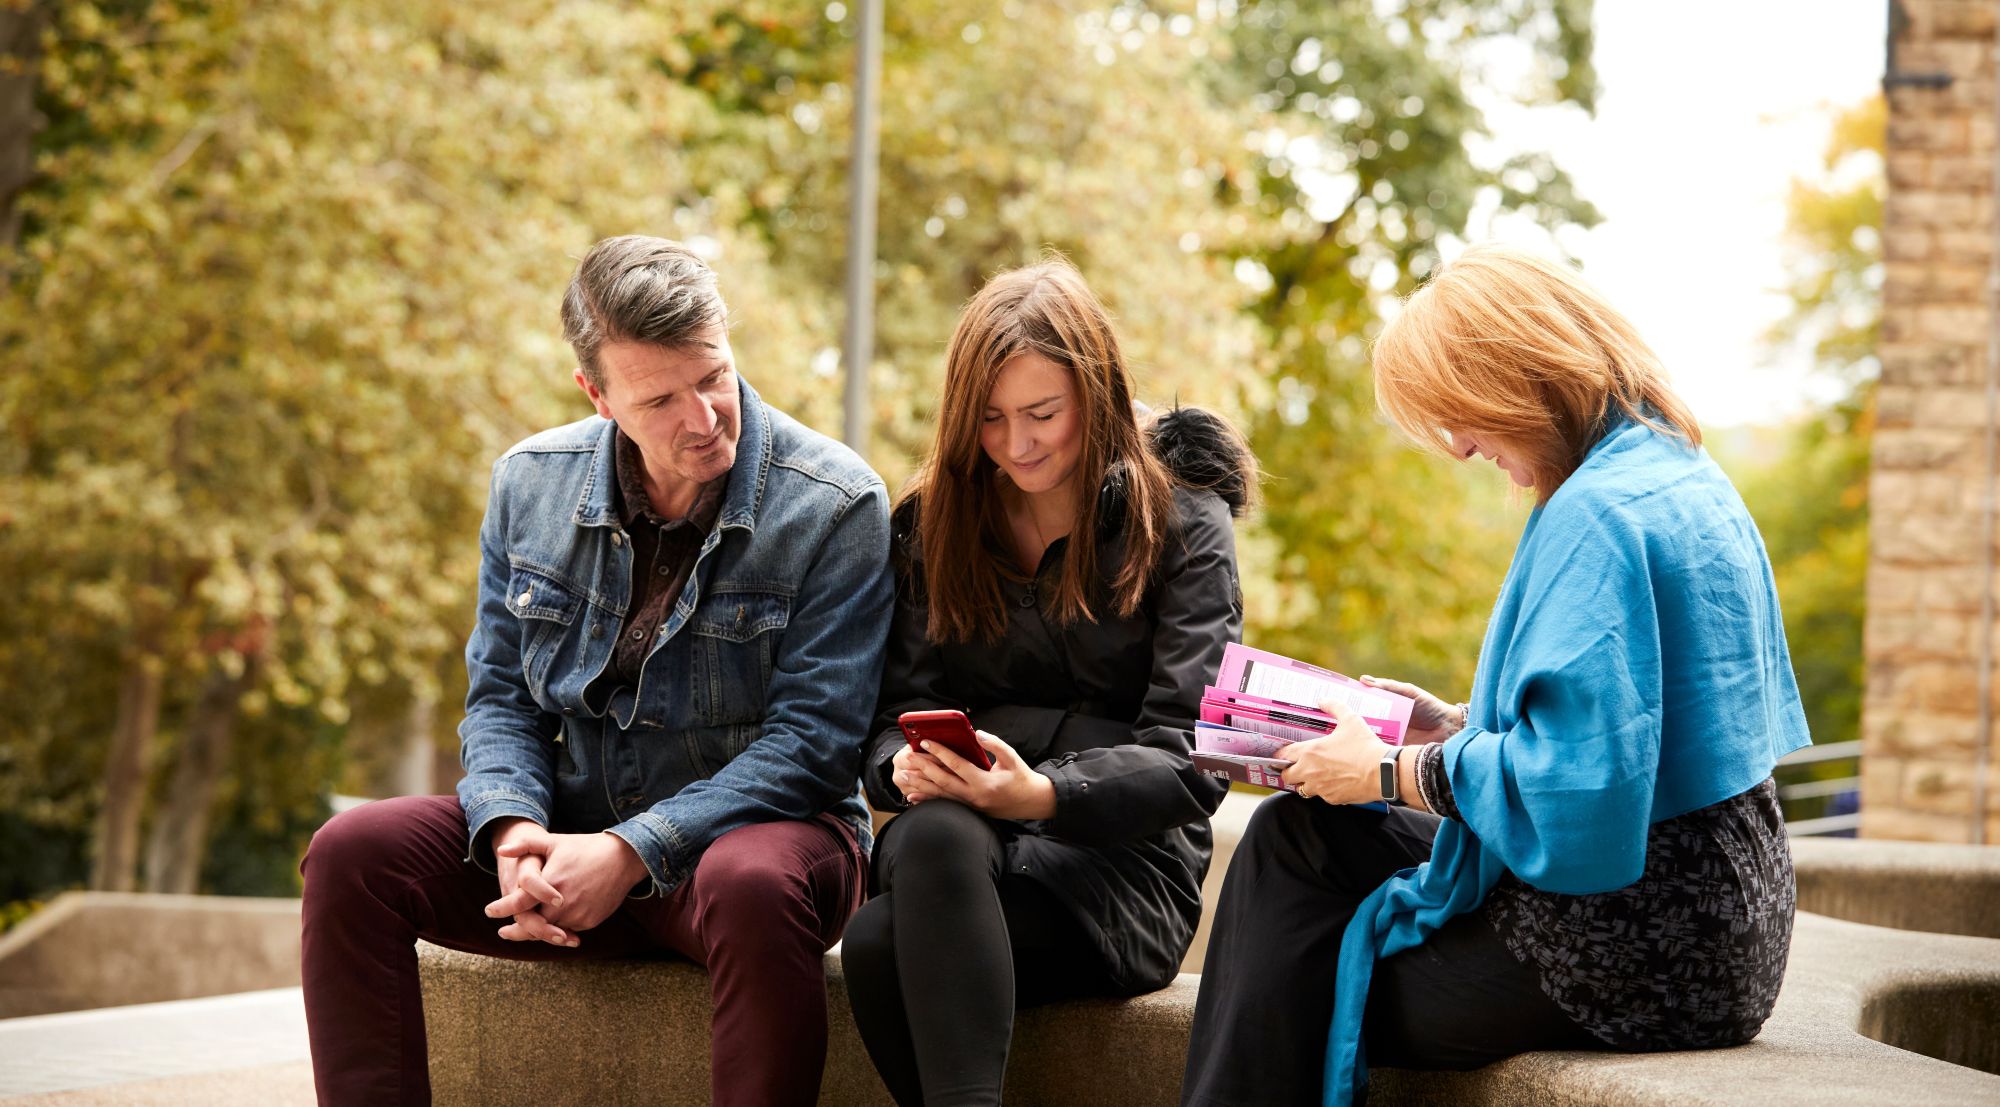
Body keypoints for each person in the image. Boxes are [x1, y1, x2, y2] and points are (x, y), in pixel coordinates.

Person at [1181, 243, 1811, 1107]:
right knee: (1297, 835)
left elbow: (1578, 793)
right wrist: (1452, 724)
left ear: (1518, 378)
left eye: (1461, 415)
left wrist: (1385, 770)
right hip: (1730, 917)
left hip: (1629, 949)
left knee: (1299, 967)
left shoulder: (1593, 517)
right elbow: (1634, 729)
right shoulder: (1678, 471)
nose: (1461, 446)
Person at [299, 236, 894, 1107]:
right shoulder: (527, 484)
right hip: (566, 833)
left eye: (713, 376)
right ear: (598, 394)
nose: (702, 417)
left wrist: (628, 851)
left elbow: (814, 745)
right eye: (660, 398)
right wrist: (512, 833)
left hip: (751, 849)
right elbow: (499, 700)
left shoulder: (836, 502)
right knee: (352, 853)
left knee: (751, 882)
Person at [841, 257, 1255, 1106]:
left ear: (1095, 396)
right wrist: (904, 769)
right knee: (929, 840)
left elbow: (1192, 757)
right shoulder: (930, 525)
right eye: (990, 419)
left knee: (884, 940)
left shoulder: (1182, 519)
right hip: (963, 851)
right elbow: (889, 722)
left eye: (1042, 413)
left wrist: (1040, 793)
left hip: (1124, 863)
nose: (1017, 443)